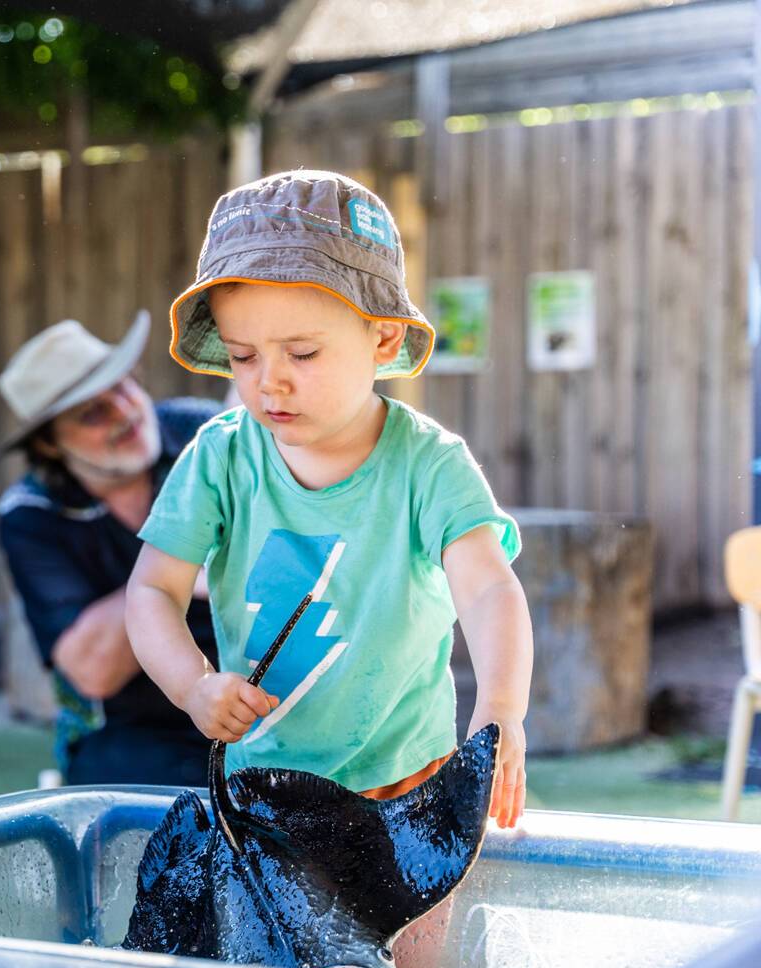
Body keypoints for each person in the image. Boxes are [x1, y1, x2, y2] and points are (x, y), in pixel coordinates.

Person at [126, 169, 533, 830]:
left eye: (303, 352)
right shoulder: (220, 457)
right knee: (265, 937)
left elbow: (489, 592)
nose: (270, 383)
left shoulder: (430, 466)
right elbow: (152, 592)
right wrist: (192, 684)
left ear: (384, 338)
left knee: (421, 938)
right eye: (243, 357)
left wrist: (501, 712)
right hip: (260, 787)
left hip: (409, 780)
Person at [0, 312, 221, 785]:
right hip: (134, 728)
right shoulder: (30, 514)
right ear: (51, 444)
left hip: (257, 687)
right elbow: (92, 672)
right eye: (92, 411)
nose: (125, 412)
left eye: (123, 385)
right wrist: (175, 566)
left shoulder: (205, 435)